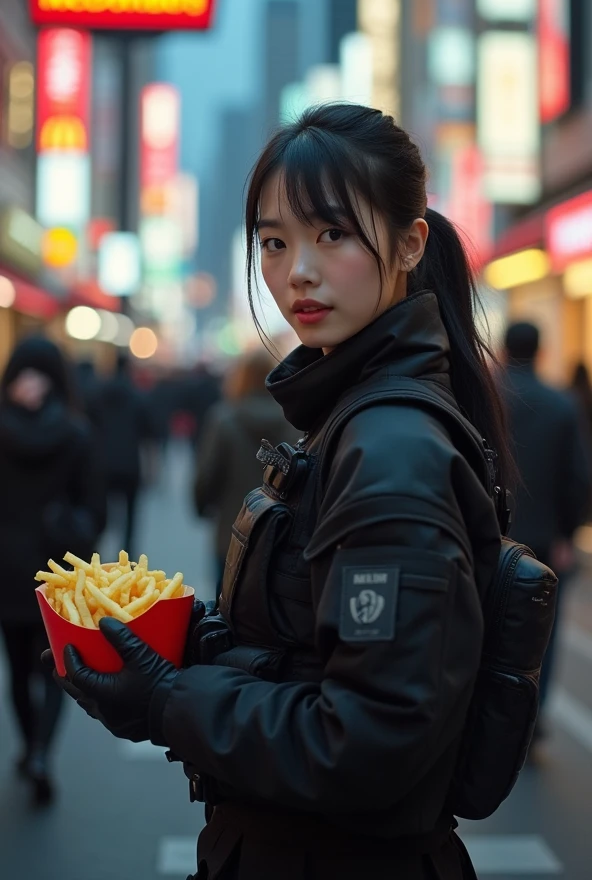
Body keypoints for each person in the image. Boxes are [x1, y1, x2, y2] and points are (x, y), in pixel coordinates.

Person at [48, 104, 510, 879]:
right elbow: (315, 655)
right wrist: (184, 641)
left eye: (332, 234)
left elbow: (370, 738)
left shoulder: (388, 450)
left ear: (409, 243)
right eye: (273, 241)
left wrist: (169, 702)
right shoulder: (351, 414)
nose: (297, 269)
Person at [0, 336, 105, 805]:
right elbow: (95, 511)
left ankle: (28, 747)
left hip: (5, 568)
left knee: (17, 669)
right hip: (56, 571)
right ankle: (42, 751)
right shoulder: (76, 433)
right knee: (55, 669)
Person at [502, 323, 591, 720]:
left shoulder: (487, 397)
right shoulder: (561, 405)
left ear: (504, 351)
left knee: (489, 624)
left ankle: (488, 712)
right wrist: (567, 534)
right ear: (540, 352)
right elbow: (577, 477)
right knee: (543, 633)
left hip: (493, 535)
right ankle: (529, 717)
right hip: (543, 539)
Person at [194, 347, 300, 593]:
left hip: (233, 533)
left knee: (225, 607)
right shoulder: (295, 420)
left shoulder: (224, 419)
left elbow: (207, 476)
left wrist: (202, 506)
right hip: (281, 536)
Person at [88, 353, 151, 560]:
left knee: (100, 512)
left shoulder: (97, 394)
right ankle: (127, 557)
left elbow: (89, 427)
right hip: (129, 463)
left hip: (102, 463)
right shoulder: (136, 395)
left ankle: (95, 553)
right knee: (130, 516)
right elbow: (146, 433)